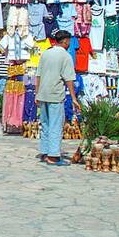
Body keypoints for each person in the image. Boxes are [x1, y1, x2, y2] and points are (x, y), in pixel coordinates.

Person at [35, 28, 80, 166]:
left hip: (43, 93)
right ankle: (53, 156)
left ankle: (45, 151)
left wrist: (37, 93)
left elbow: (38, 75)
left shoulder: (46, 54)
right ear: (66, 41)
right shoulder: (65, 56)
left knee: (46, 124)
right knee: (55, 125)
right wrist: (73, 97)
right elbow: (69, 79)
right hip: (55, 94)